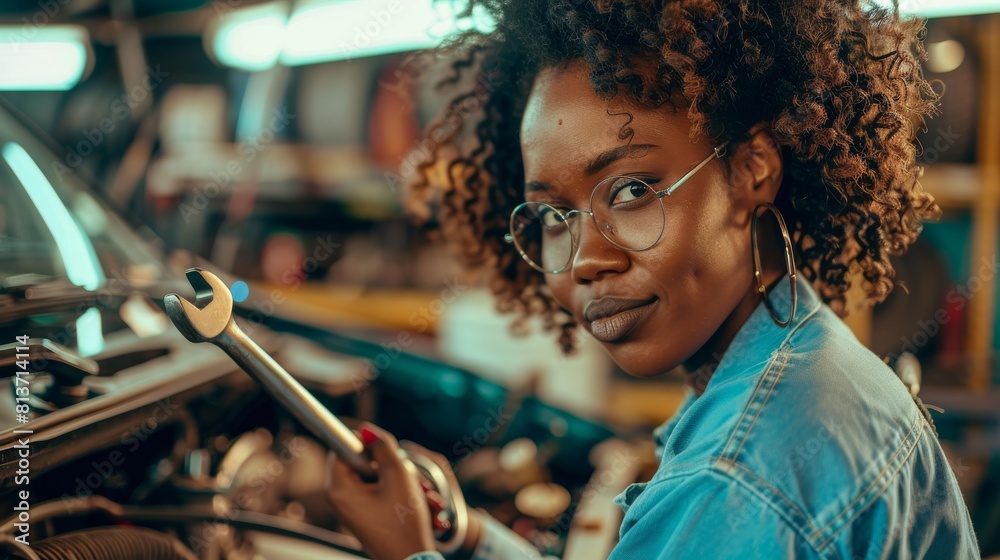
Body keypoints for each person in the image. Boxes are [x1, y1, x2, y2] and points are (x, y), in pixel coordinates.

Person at [326, 1, 982, 558]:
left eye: (633, 190)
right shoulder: (804, 363)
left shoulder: (737, 478)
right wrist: (469, 540)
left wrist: (410, 550)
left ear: (753, 169)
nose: (585, 258)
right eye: (555, 216)